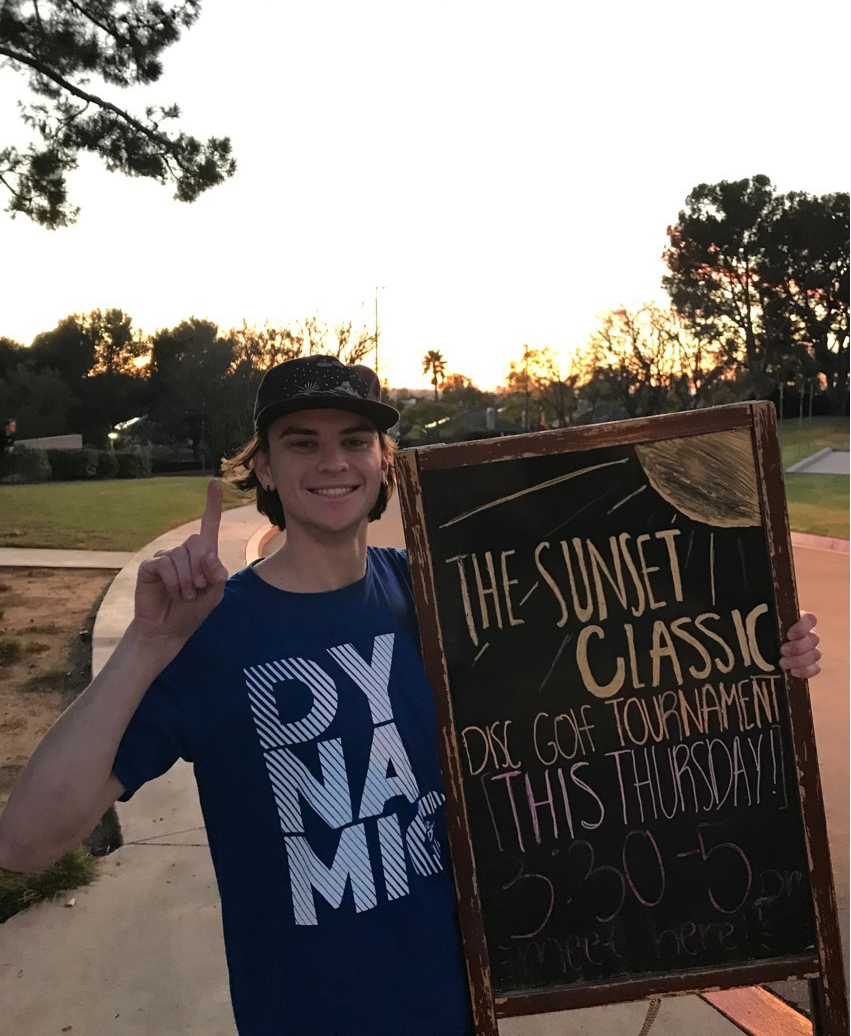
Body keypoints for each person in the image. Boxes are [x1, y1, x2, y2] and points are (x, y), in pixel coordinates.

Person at [0, 356, 823, 1036]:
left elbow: (608, 673)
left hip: (463, 1005)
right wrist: (145, 645)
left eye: (355, 440)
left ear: (383, 461)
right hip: (306, 1017)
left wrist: (753, 655)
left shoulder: (437, 594)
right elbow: (28, 842)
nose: (333, 462)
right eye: (302, 442)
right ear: (264, 467)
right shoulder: (208, 632)